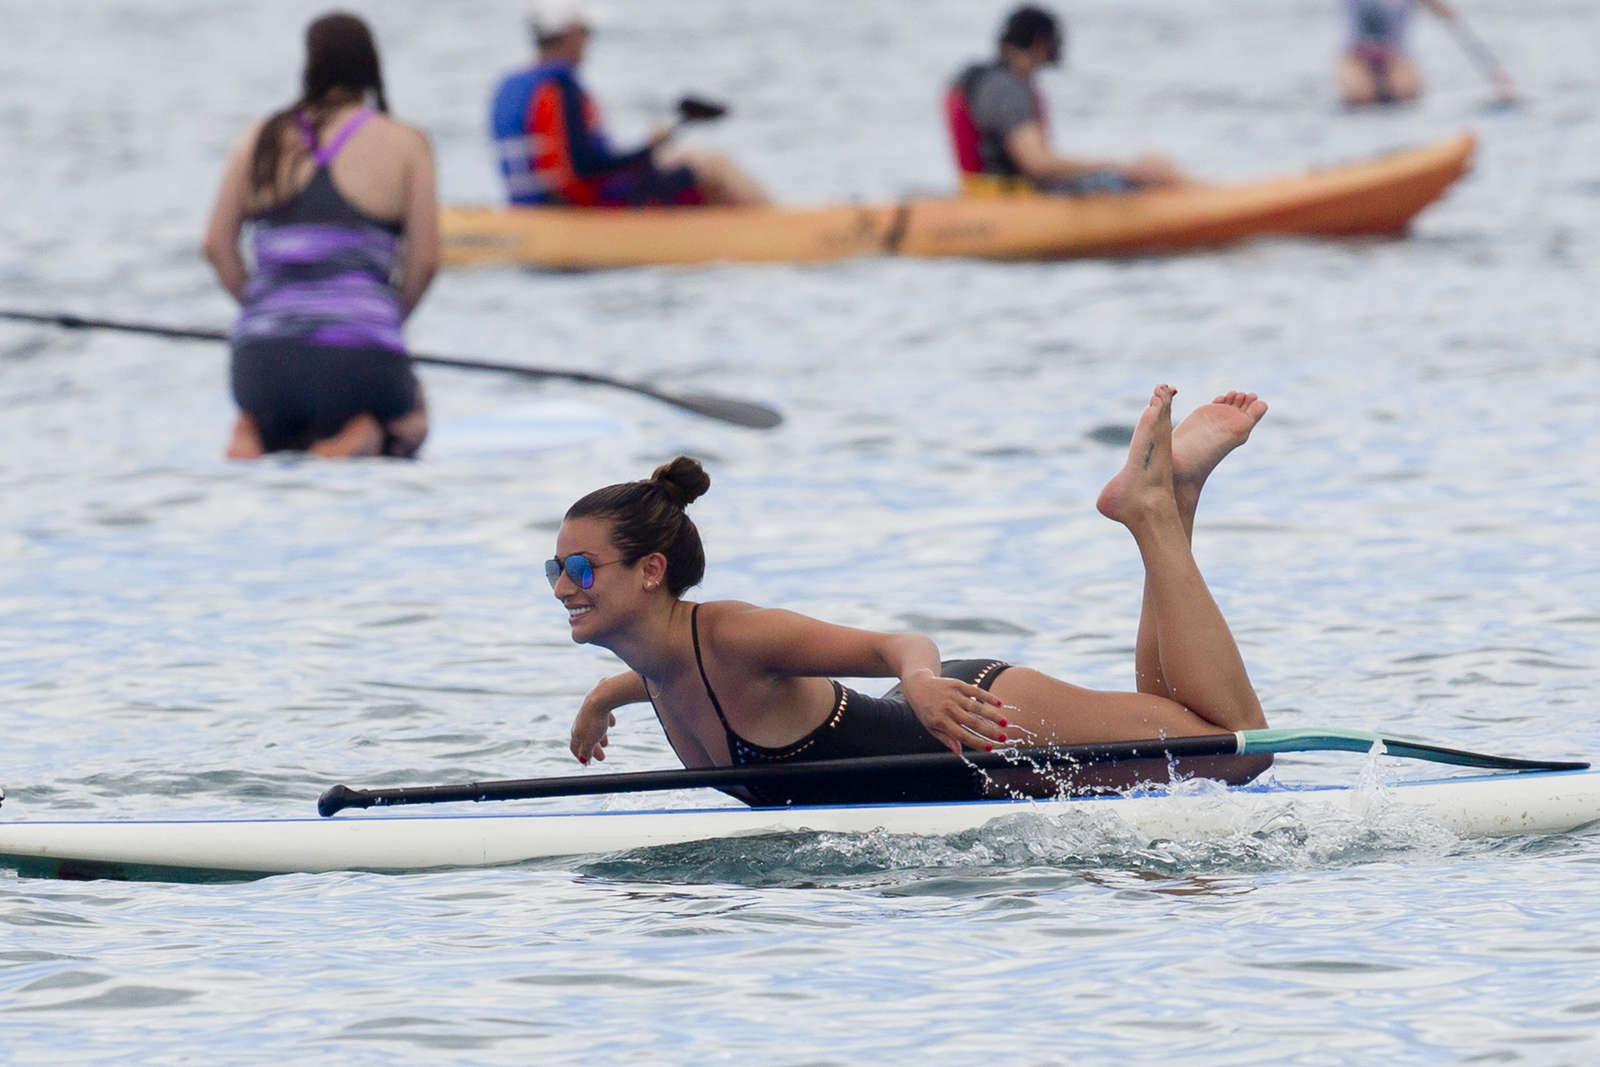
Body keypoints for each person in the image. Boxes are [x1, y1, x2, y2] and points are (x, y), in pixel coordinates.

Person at [555, 385, 1273, 807]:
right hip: (953, 743)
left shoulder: (735, 636)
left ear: (651, 570)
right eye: (552, 570)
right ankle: (1169, 500)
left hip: (987, 726)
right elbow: (659, 680)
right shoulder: (660, 661)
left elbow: (897, 645)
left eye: (580, 569)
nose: (562, 587)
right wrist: (600, 701)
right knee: (1179, 727)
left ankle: (1152, 512)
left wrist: (922, 683)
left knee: (1234, 750)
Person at [203, 12, 437, 459]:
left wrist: (260, 308)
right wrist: (384, 317)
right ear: (371, 65)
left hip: (261, 363)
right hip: (361, 360)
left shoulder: (260, 138)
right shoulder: (406, 143)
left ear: (308, 64)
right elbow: (425, 260)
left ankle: (252, 433)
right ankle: (362, 433)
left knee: (275, 421)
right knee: (412, 421)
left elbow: (216, 245)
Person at [490, 5, 769, 208]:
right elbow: (587, 167)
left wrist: (651, 151)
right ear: (570, 33)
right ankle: (776, 230)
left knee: (683, 156)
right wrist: (648, 148)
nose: (588, 41)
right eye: (586, 32)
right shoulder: (561, 89)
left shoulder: (512, 85)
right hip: (582, 207)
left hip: (534, 204)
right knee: (711, 164)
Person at [945, 5, 1187, 197]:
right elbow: (1037, 164)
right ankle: (1205, 201)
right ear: (1041, 43)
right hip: (1015, 200)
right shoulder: (1007, 89)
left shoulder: (983, 80)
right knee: (1152, 165)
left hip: (989, 195)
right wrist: (1118, 166)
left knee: (1149, 165)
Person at [1337, 0, 1454, 106]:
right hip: (1355, 57)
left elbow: (1446, 13)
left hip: (1395, 56)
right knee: (1360, 96)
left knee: (1406, 94)